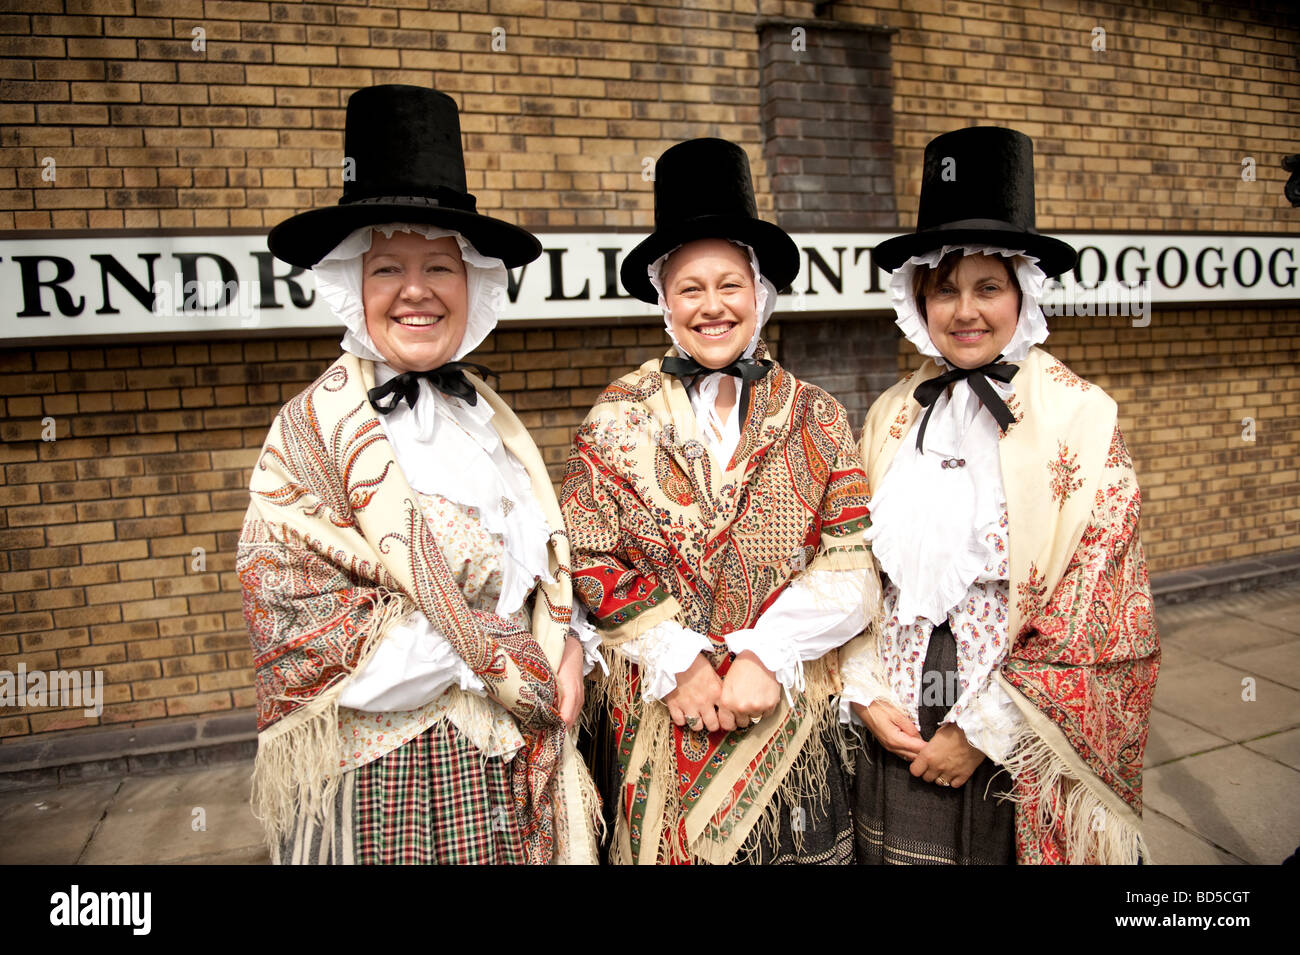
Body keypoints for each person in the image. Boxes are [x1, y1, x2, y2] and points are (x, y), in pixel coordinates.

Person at [237, 85, 601, 865]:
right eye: (387, 268)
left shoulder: (490, 425)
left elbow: (542, 585)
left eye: (440, 264)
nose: (415, 289)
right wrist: (509, 662)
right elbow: (305, 639)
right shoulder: (310, 436)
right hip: (392, 788)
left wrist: (567, 647)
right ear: (351, 285)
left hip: (511, 773)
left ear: (472, 288)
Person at [840, 125, 1160, 864]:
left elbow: (1099, 616)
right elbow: (853, 563)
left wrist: (981, 730)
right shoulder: (892, 413)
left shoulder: (1080, 418)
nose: (965, 311)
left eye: (988, 287)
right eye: (944, 289)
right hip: (895, 712)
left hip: (1006, 722)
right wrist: (863, 686)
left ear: (1023, 290)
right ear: (918, 298)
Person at [562, 138, 879, 864]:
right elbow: (585, 555)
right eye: (690, 287)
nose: (712, 306)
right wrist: (678, 661)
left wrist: (768, 655)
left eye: (729, 283)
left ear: (759, 291)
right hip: (658, 724)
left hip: (787, 725)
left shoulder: (818, 416)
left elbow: (853, 562)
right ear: (664, 300)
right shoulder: (616, 415)